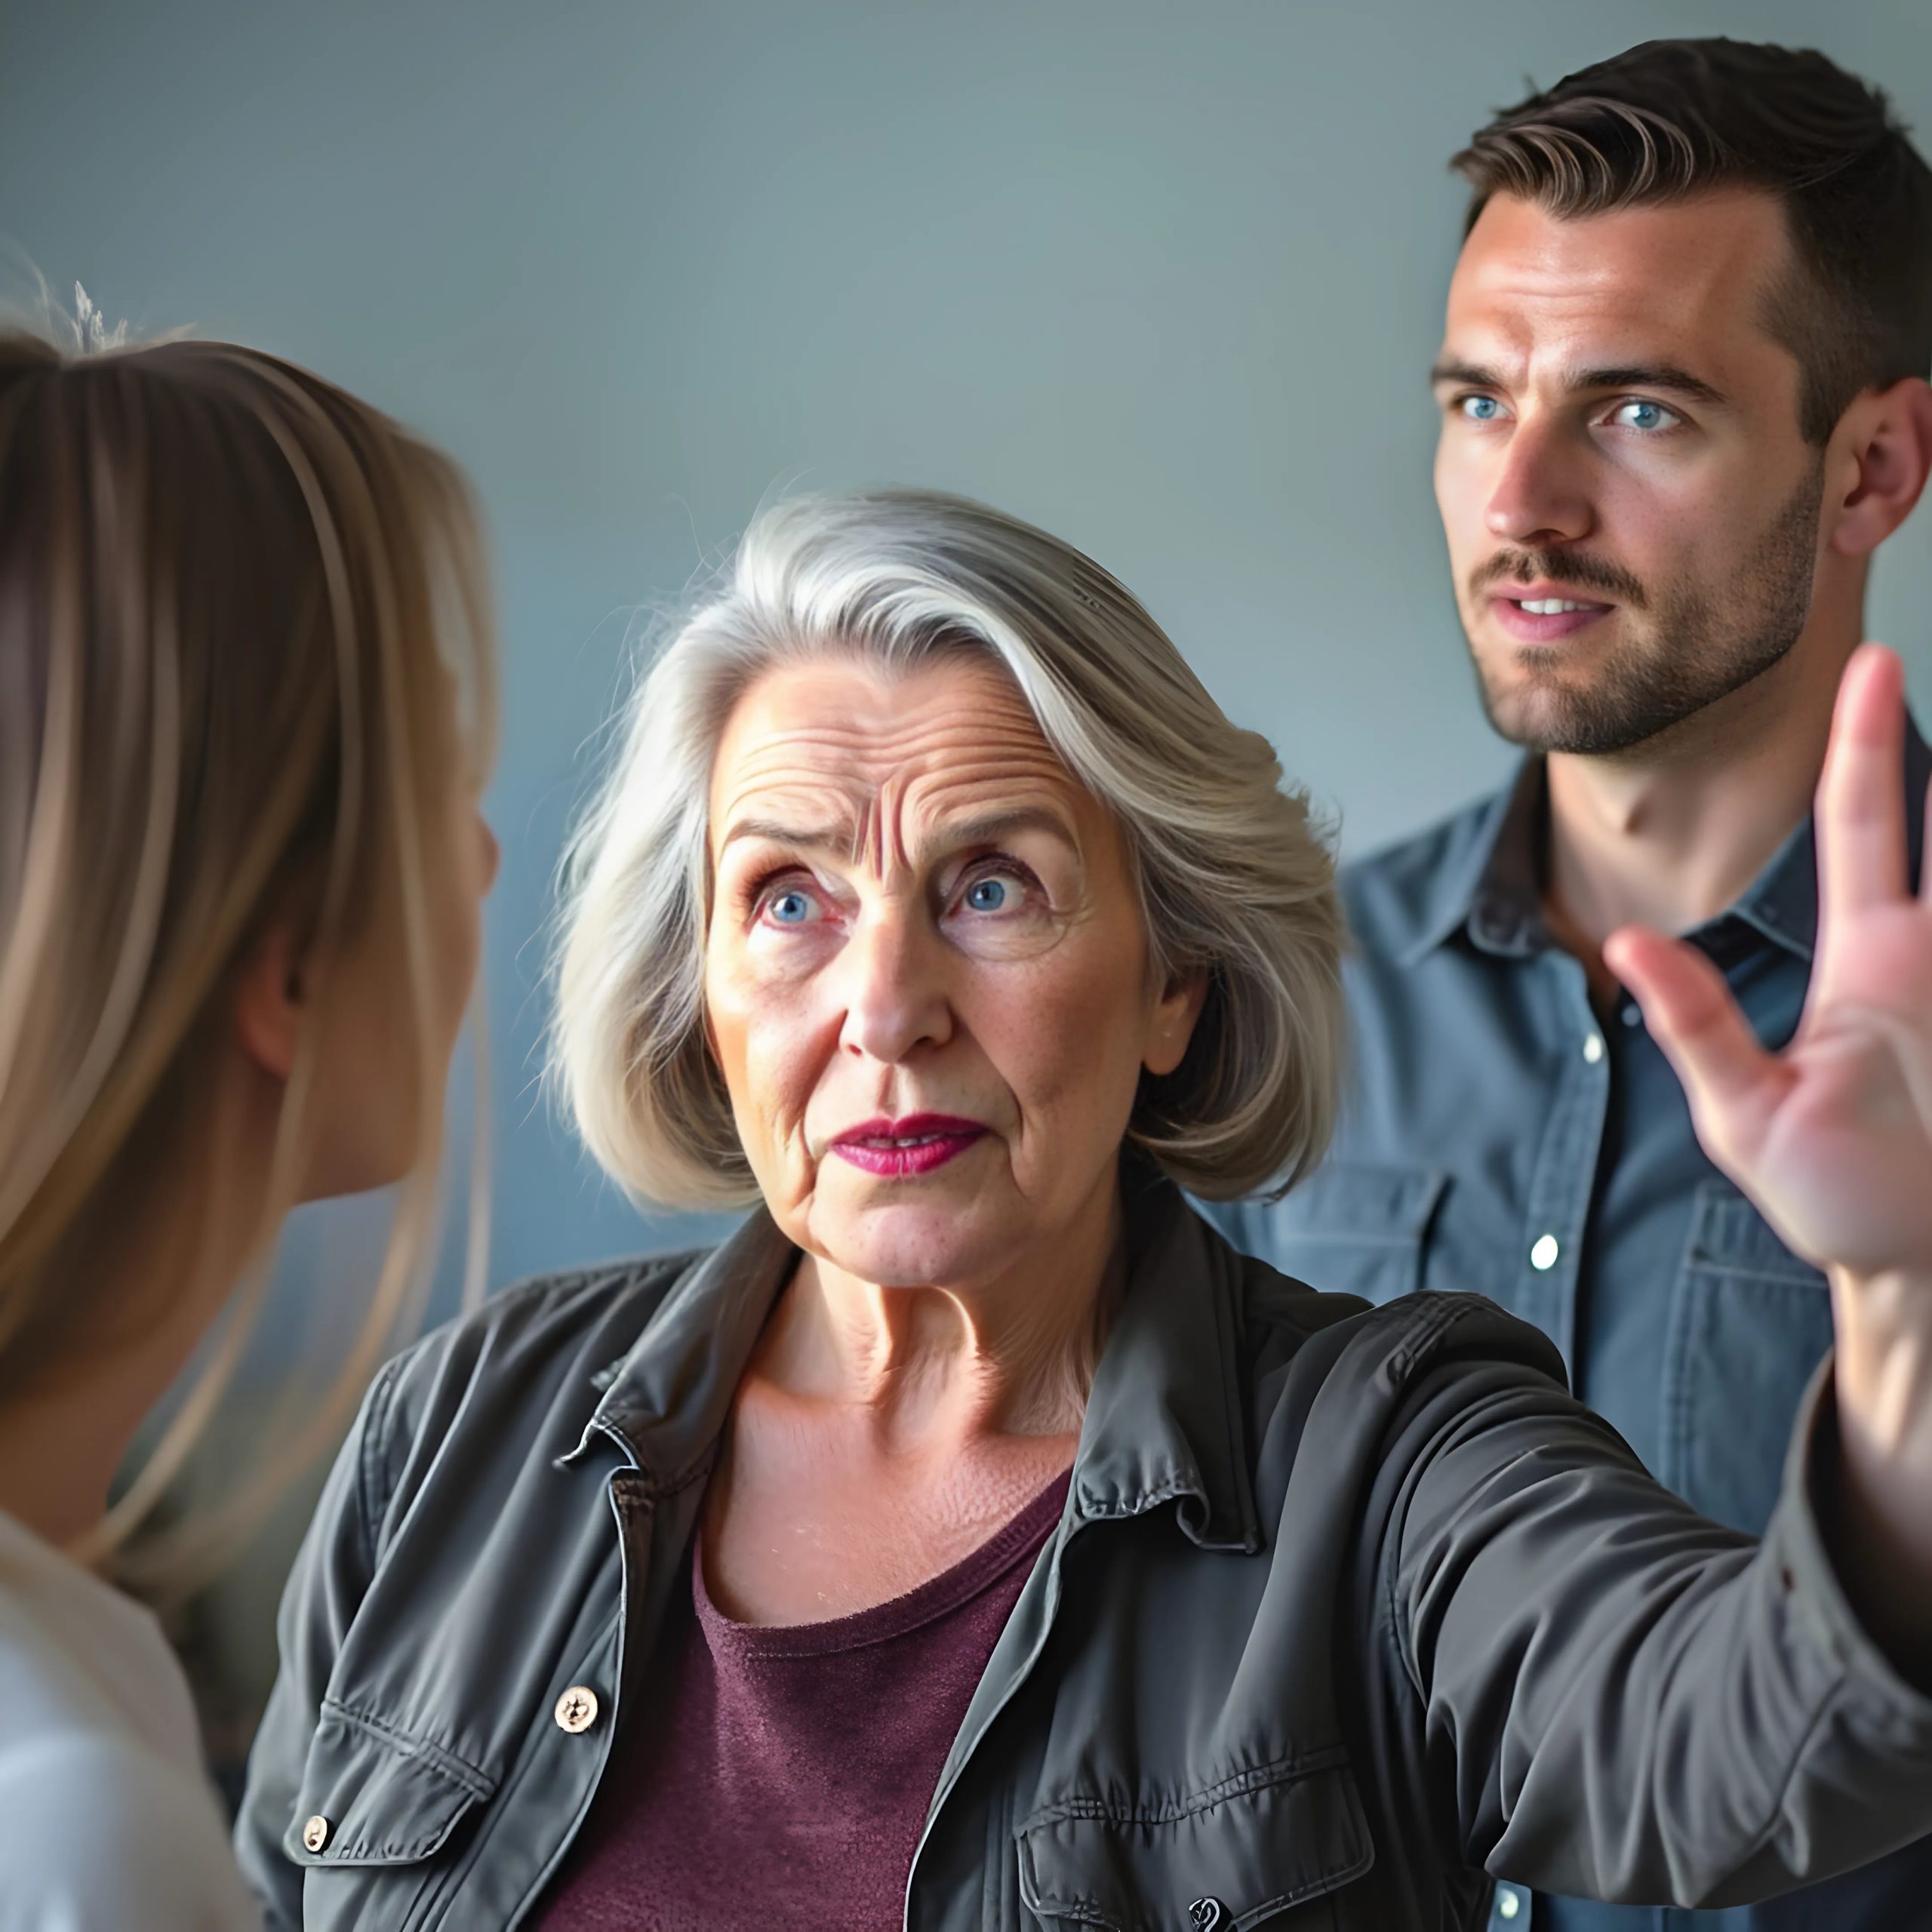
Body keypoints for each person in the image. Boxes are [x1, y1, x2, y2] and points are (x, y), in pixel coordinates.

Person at [237, 487, 1932, 1931]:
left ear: (1170, 982)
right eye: (787, 897)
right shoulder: (457, 1429)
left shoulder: (1384, 1460)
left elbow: (1752, 1742)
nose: (883, 1000)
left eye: (990, 885)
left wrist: (1905, 1314)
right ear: (696, 986)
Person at [1210, 38, 1932, 1932]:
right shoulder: (1277, 998)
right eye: (1473, 398)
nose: (1515, 501)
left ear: (1869, 465)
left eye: (1635, 413)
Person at [0, 320, 500, 1928]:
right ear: (282, 961)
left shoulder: (97, 1669)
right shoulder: (73, 1823)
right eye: (441, 771)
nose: (483, 857)